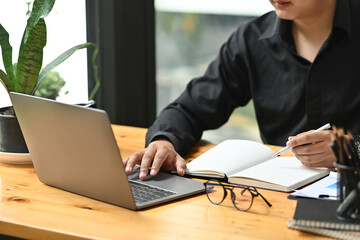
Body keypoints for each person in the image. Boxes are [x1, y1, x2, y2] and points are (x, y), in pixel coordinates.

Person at [125, 0, 360, 179]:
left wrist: (352, 151)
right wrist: (164, 142)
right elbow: (191, 107)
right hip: (275, 196)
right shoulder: (252, 41)